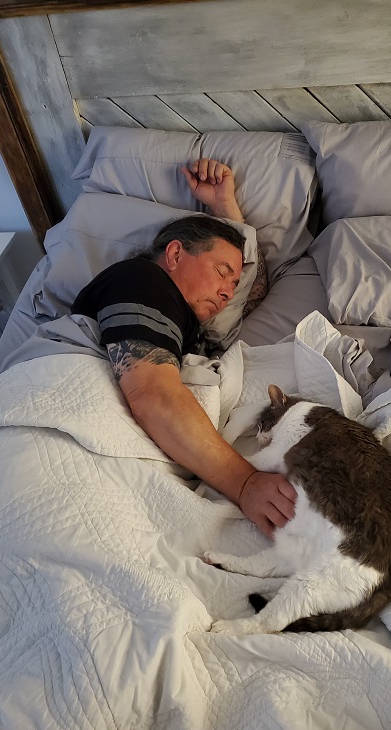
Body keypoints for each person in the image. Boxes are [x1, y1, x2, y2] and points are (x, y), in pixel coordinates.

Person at [71, 158, 296, 537]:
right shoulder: (143, 280)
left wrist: (227, 210)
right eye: (222, 272)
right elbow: (151, 394)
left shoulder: (190, 329)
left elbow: (252, 294)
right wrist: (246, 485)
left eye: (234, 280)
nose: (228, 291)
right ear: (174, 255)